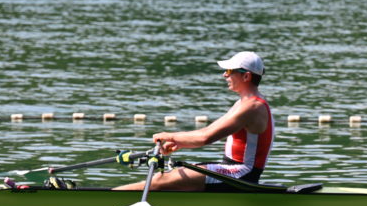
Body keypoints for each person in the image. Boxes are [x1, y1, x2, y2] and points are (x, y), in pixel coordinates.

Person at [114, 51, 274, 192]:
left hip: (241, 173)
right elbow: (207, 131)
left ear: (246, 76)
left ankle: (109, 200)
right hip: (231, 169)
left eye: (229, 71)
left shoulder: (252, 107)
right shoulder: (244, 103)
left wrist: (170, 136)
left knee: (160, 180)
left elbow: (206, 138)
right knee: (170, 176)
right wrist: (181, 143)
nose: (225, 75)